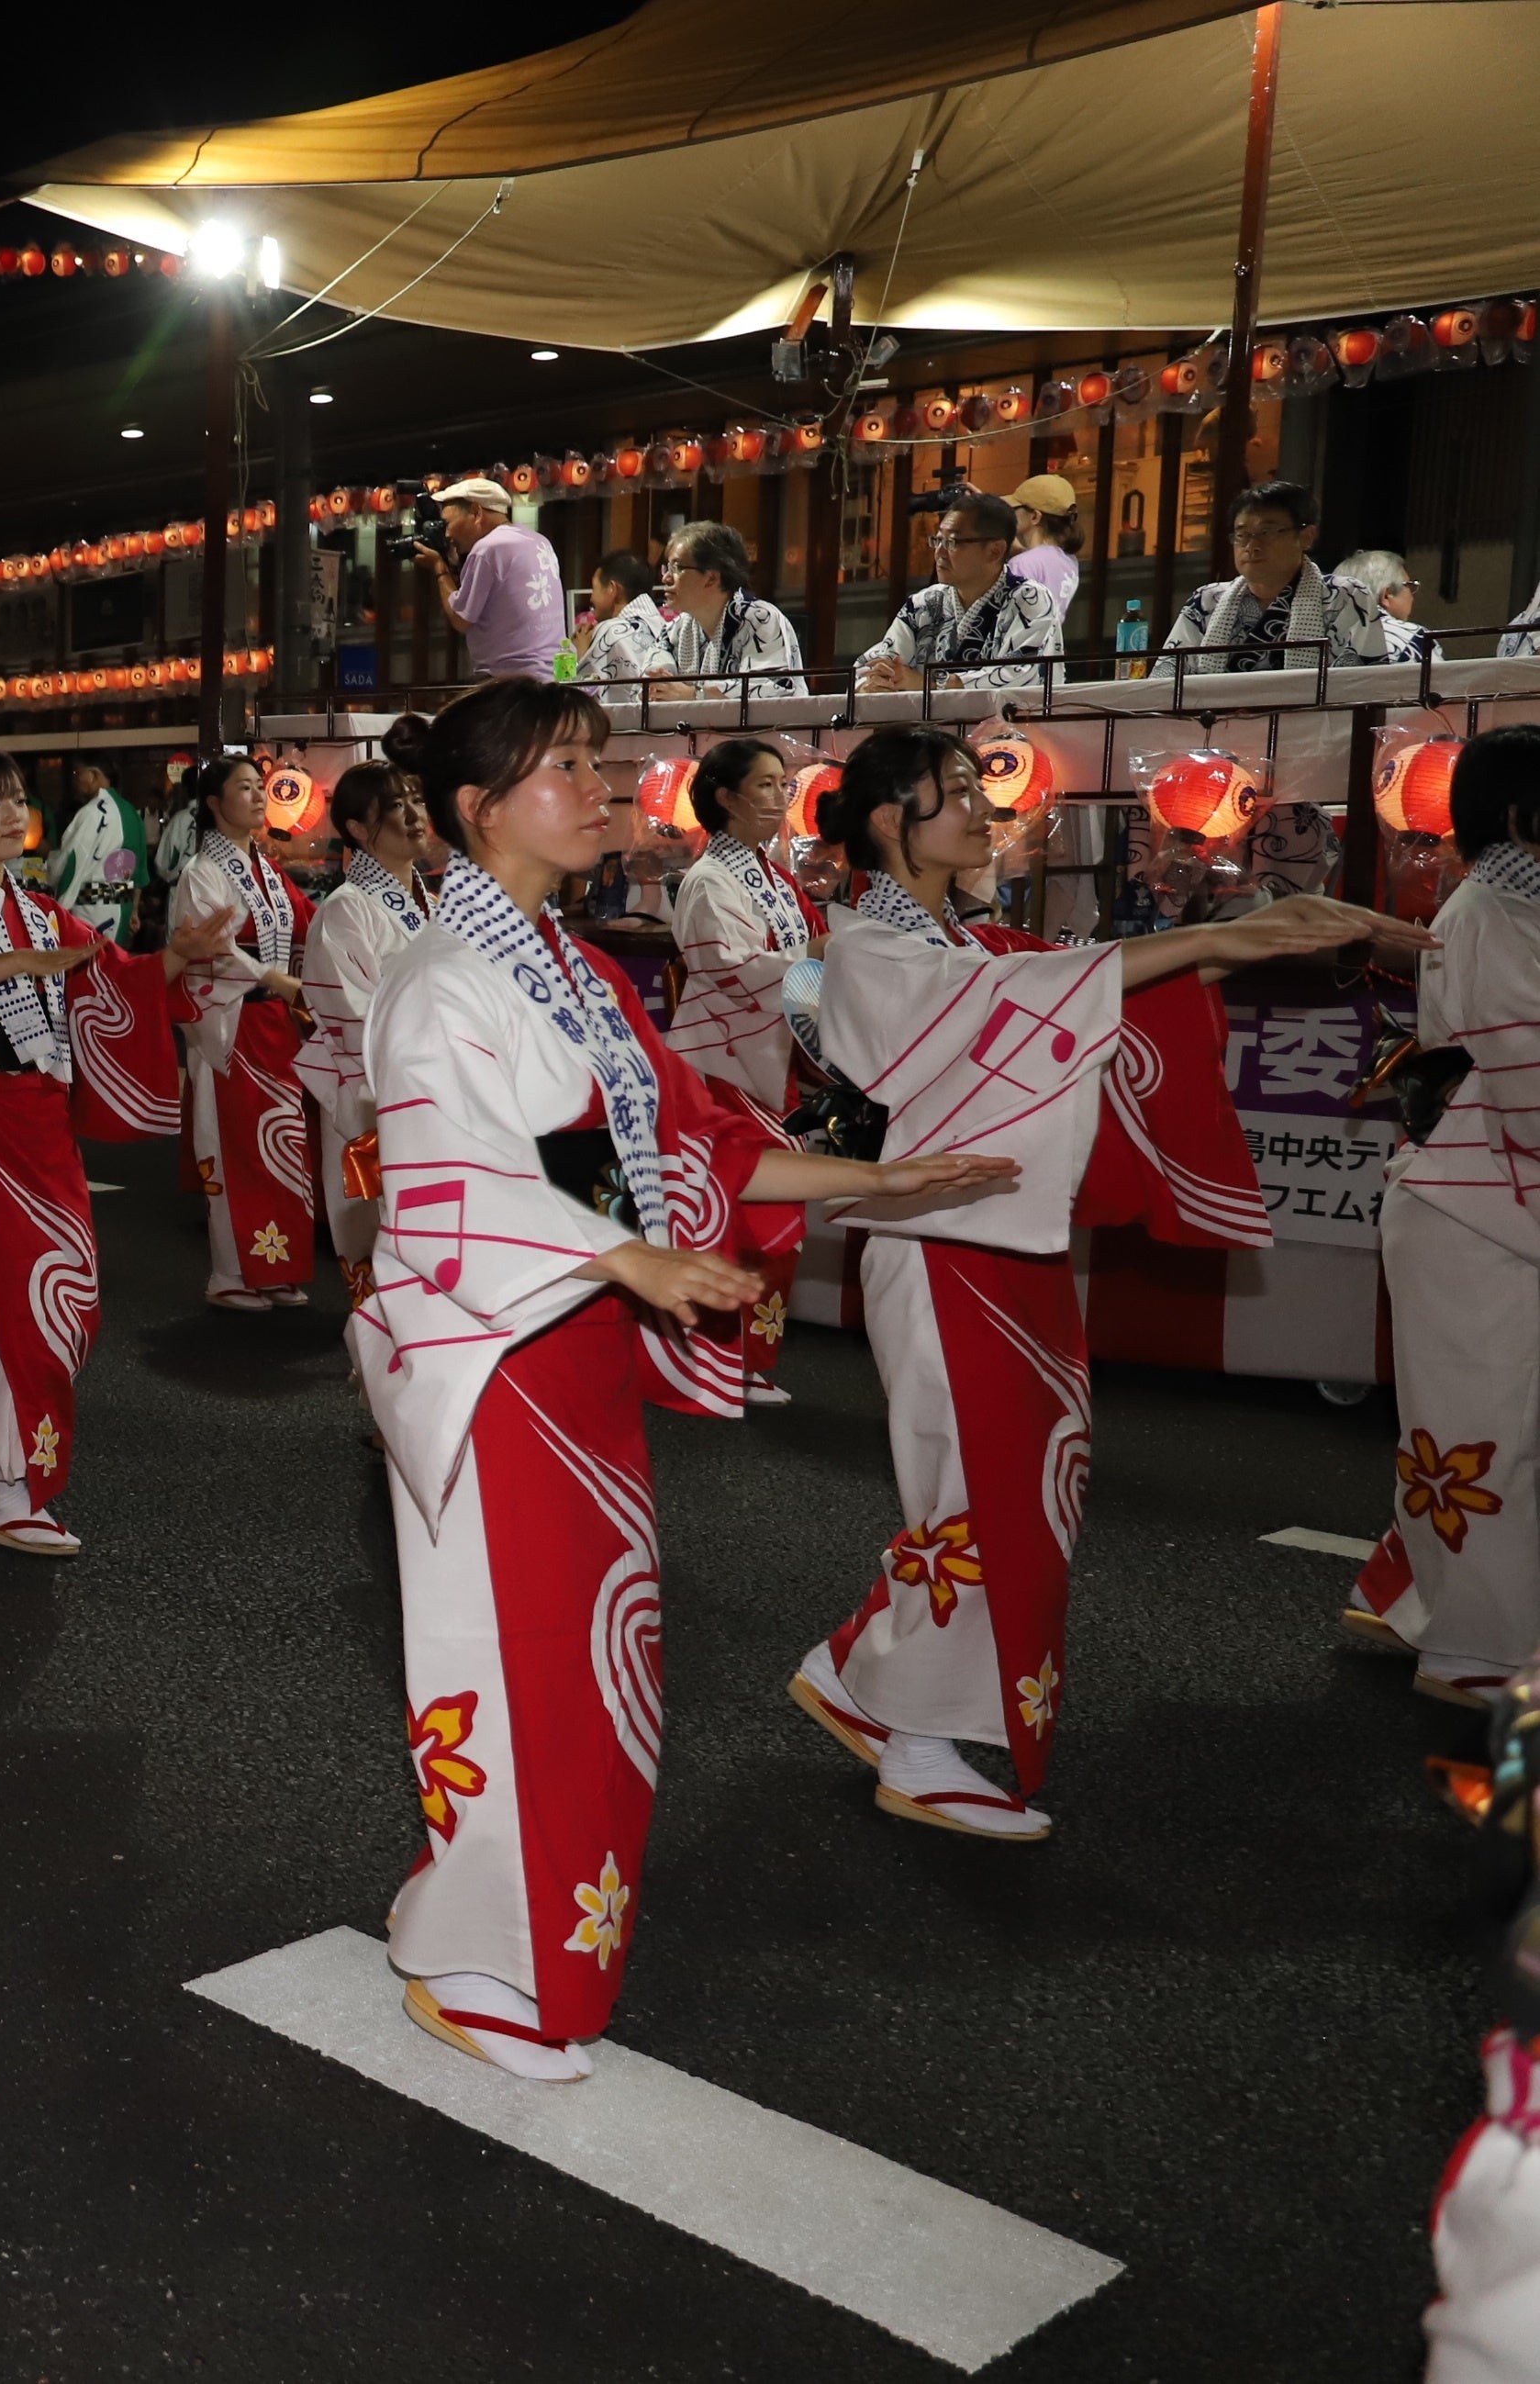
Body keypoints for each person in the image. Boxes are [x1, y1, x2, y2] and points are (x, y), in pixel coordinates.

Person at [353, 681, 1017, 2081]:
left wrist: (874, 1177)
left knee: (598, 1664)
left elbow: (692, 1137)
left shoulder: (567, 968)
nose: (599, 789)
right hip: (495, 1357)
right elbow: (443, 1187)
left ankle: (481, 1922)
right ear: (478, 811)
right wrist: (620, 1256)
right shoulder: (440, 977)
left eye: (600, 761)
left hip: (568, 1343)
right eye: (566, 769)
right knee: (513, 1663)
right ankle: (479, 1951)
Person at [791, 725, 1424, 1840]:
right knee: (979, 1493)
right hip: (944, 1246)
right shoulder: (870, 949)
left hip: (998, 1240)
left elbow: (1045, 990)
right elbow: (1016, 999)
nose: (982, 818)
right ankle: (925, 1738)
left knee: (1028, 1477)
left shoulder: (955, 940)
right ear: (891, 821)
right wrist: (1210, 945)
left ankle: (862, 1670)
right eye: (955, 799)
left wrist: (1239, 942)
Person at [0, 749, 226, 1556]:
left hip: (42, 1122)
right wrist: (12, 964)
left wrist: (179, 953)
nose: (12, 815)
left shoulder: (42, 911)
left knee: (66, 1300)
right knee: (11, 1307)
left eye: (16, 801)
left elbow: (113, 977)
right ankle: (11, 1486)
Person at [1349, 726, 1540, 1706]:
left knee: (1483, 1426)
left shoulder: (1498, 902)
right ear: (1520, 813)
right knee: (1488, 1431)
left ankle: (1433, 1602)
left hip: (1481, 1200)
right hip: (1485, 1204)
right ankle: (1474, 1646)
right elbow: (1524, 1070)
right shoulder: (1502, 908)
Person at [662, 739, 828, 1405]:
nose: (778, 796)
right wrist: (814, 951)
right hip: (721, 1063)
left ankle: (742, 1358)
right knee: (737, 1218)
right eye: (762, 785)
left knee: (761, 1217)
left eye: (780, 783)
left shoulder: (768, 873)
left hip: (765, 1055)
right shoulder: (709, 878)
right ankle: (716, 1356)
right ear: (725, 799)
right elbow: (726, 970)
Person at [171, 755, 317, 1311]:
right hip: (232, 1022)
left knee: (282, 1147)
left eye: (261, 788)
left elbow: (306, 921)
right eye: (245, 788)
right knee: (234, 1145)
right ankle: (231, 1272)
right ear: (213, 803)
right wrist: (269, 976)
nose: (259, 797)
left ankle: (276, 1267)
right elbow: (210, 951)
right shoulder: (201, 873)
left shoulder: (268, 869)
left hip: (275, 1023)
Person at [295, 761, 434, 1313]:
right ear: (357, 828)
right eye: (397, 806)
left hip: (432, 1087)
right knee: (378, 1226)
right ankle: (377, 1343)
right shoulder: (345, 911)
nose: (416, 815)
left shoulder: (429, 902)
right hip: (380, 1093)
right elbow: (353, 1018)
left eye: (416, 800)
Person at [1161, 479, 1389, 669]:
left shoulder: (1345, 596)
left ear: (1306, 537)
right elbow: (1168, 681)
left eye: (1266, 532)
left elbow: (1360, 686)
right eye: (1242, 535)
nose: (1251, 545)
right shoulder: (1207, 600)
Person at [857, 490, 1069, 691]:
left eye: (952, 542)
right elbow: (877, 661)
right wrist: (875, 681)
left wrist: (929, 684)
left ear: (994, 551)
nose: (939, 552)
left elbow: (1022, 675)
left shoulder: (1030, 599)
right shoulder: (926, 603)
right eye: (938, 540)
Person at [414, 476, 564, 682]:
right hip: (555, 676)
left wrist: (440, 568)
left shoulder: (488, 549)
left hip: (513, 682)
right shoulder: (539, 540)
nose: (447, 533)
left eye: (448, 523)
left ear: (476, 512)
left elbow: (460, 618)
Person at [653, 521, 809, 701]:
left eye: (677, 568)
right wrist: (657, 684)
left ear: (711, 578)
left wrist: (694, 695)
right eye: (667, 568)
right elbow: (649, 678)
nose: (665, 577)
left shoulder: (761, 619)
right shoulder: (676, 630)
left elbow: (773, 688)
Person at [45, 759, 152, 944]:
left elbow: (69, 861)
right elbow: (140, 870)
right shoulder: (131, 812)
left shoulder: (91, 812)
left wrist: (51, 872)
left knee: (91, 966)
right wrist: (134, 910)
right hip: (123, 904)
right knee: (113, 966)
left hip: (91, 907)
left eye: (78, 775)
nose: (76, 781)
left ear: (93, 775)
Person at [572, 549, 670, 684]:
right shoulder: (666, 626)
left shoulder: (609, 631)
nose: (591, 598)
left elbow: (587, 695)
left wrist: (581, 654)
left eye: (594, 588)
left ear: (613, 589)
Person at [1001, 473, 1083, 624]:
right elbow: (1041, 562)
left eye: (1016, 508)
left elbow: (1010, 623)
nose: (1010, 513)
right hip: (1050, 645)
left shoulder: (1021, 564)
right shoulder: (1069, 560)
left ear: (1035, 517)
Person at [1333, 548, 1438, 663]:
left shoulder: (1320, 632)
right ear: (1386, 595)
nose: (1412, 596)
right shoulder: (1411, 637)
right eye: (1409, 586)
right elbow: (1442, 679)